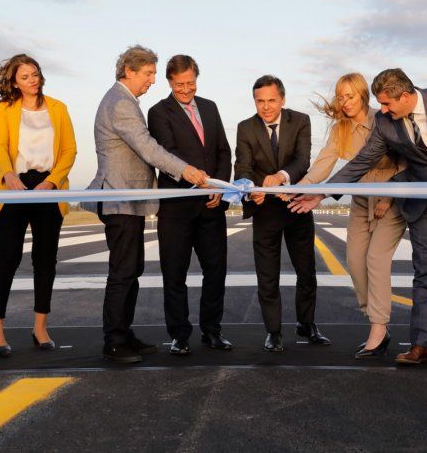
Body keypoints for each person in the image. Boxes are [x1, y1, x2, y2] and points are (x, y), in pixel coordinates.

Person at [290, 68, 427, 368]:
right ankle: (422, 345)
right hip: (424, 203)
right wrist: (322, 193)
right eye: (379, 104)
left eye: (386, 104)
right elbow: (363, 161)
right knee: (425, 275)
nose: (382, 111)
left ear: (407, 95)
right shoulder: (387, 122)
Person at [88, 45, 209, 364]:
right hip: (119, 197)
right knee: (123, 271)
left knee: (131, 268)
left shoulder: (124, 100)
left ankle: (124, 334)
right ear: (128, 70)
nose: (153, 80)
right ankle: (114, 341)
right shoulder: (121, 103)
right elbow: (147, 148)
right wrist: (185, 170)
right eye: (148, 73)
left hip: (129, 199)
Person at [296, 73, 406, 359]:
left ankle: (378, 328)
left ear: (362, 95)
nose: (345, 102)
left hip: (390, 198)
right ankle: (373, 316)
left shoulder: (383, 119)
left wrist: (388, 196)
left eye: (350, 96)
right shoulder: (339, 129)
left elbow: (405, 161)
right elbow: (324, 163)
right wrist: (301, 189)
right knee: (355, 261)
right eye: (341, 96)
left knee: (376, 259)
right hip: (360, 199)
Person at [0, 54, 77, 356]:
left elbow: (69, 150)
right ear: (14, 82)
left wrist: (52, 181)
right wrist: (9, 175)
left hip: (49, 188)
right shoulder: (5, 109)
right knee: (7, 258)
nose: (32, 80)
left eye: (35, 74)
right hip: (13, 186)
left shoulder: (58, 108)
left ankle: (40, 327)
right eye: (25, 77)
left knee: (45, 259)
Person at [235, 75, 329, 352]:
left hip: (296, 205)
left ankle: (307, 325)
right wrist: (250, 187)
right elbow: (242, 166)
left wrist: (281, 175)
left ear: (282, 99)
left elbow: (302, 160)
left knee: (307, 271)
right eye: (260, 101)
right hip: (265, 210)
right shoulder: (245, 128)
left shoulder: (300, 121)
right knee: (267, 275)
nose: (265, 107)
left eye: (271, 100)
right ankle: (273, 331)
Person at [147, 55, 233, 355]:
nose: (186, 90)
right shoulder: (158, 112)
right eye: (180, 84)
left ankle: (212, 331)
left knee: (216, 271)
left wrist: (220, 186)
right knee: (174, 274)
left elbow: (223, 150)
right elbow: (168, 155)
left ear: (197, 78)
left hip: (212, 207)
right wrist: (200, 183)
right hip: (178, 208)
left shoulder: (210, 107)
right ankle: (179, 335)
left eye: (191, 83)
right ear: (170, 82)